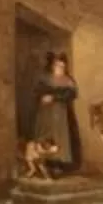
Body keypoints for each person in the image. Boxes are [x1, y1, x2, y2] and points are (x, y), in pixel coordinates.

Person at [26, 52, 80, 180]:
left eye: (63, 66)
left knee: (62, 138)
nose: (61, 68)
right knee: (45, 136)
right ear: (52, 66)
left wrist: (55, 97)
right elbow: (37, 92)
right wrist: (43, 97)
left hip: (62, 115)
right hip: (46, 114)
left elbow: (72, 94)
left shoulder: (68, 80)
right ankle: (45, 164)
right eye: (58, 66)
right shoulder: (45, 79)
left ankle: (59, 165)